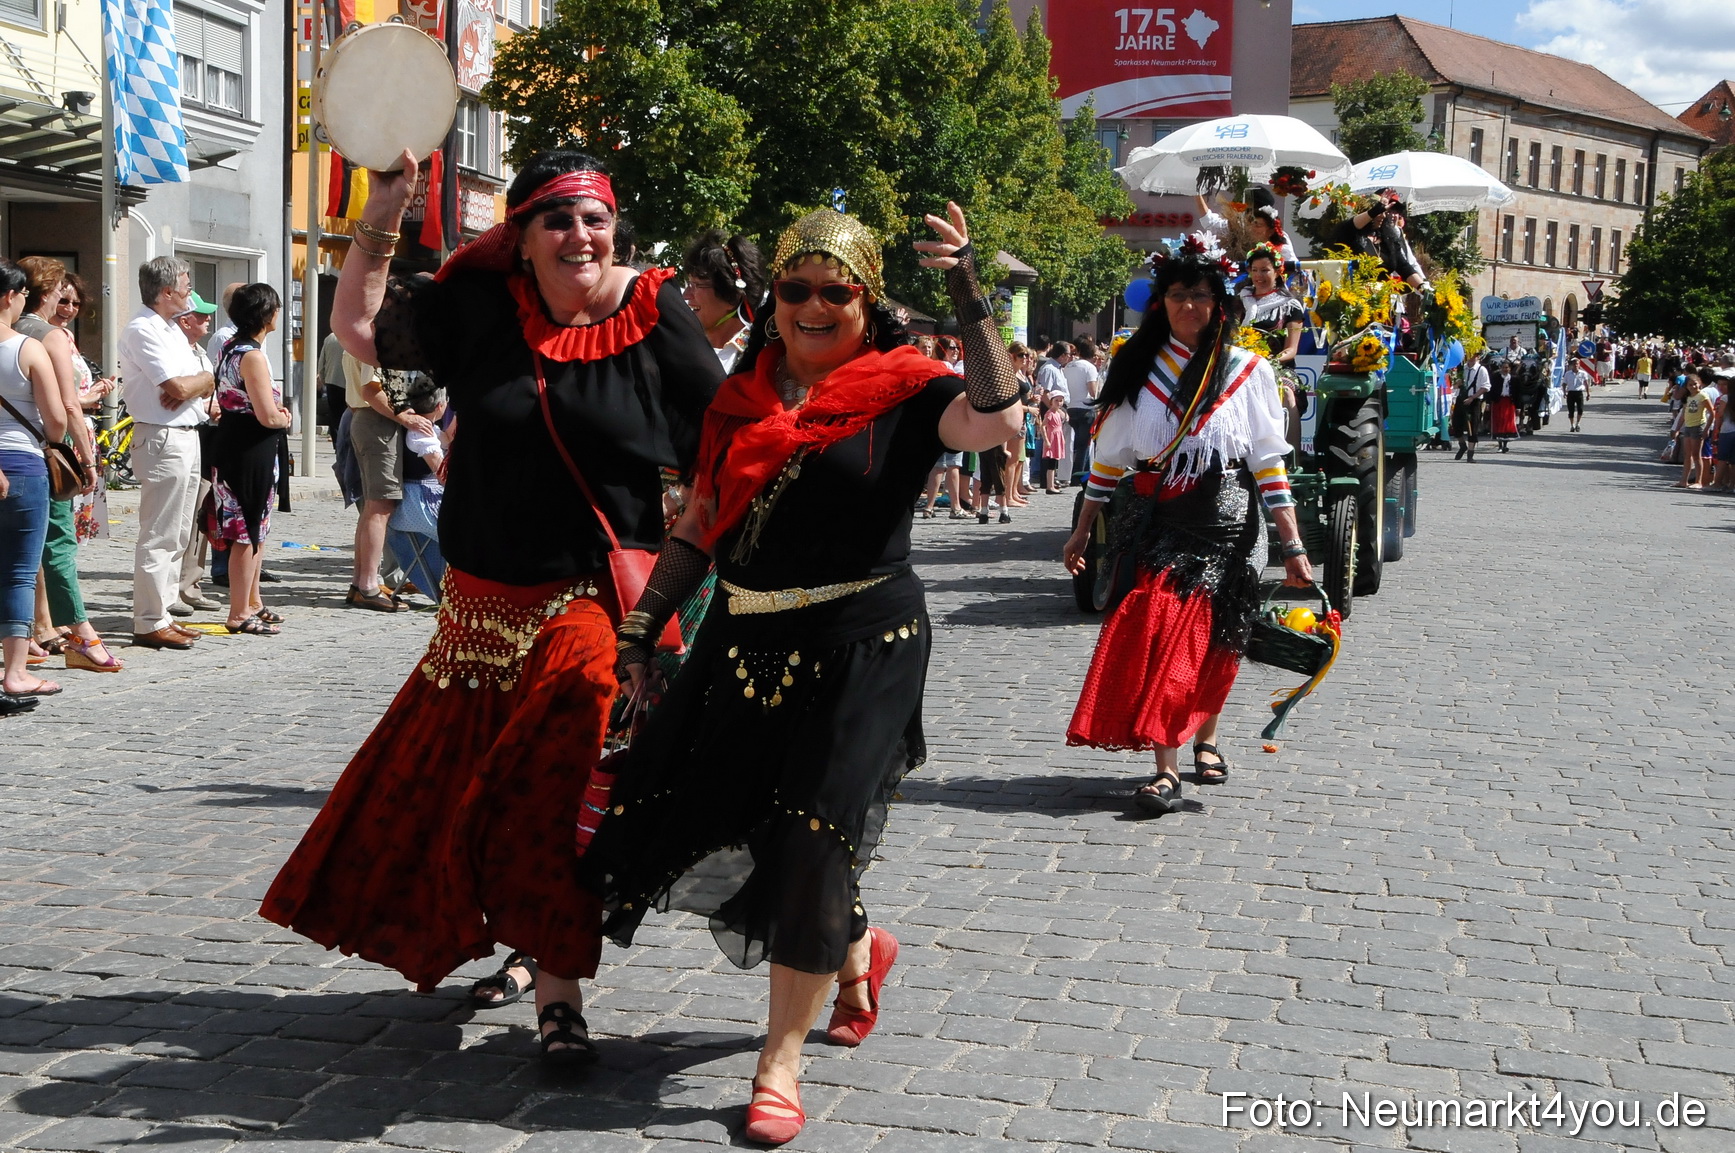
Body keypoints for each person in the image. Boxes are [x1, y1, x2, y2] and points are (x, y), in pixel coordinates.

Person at [260, 147, 723, 1066]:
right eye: (556, 218)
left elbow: (728, 431)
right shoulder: (480, 304)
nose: (578, 236)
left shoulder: (653, 309)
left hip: (590, 600)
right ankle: (523, 937)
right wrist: (384, 210)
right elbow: (356, 324)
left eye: (593, 218)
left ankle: (558, 988)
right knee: (456, 799)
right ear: (522, 234)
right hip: (477, 607)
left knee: (566, 752)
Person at [583, 202, 1021, 1146]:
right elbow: (700, 522)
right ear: (771, 298)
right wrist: (643, 627)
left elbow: (991, 415)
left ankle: (777, 1059)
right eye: (795, 289)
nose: (813, 306)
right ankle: (860, 943)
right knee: (750, 827)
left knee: (815, 837)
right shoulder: (740, 399)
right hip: (743, 642)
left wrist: (968, 290)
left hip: (865, 646)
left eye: (836, 291)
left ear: (866, 302)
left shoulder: (909, 389)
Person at [1061, 243, 1313, 816]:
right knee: (1162, 630)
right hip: (1163, 521)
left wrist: (1291, 545)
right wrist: (1081, 532)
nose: (1190, 305)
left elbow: (1268, 464)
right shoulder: (1137, 370)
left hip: (1231, 524)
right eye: (1179, 295)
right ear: (1162, 303)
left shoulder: (1248, 371)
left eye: (1201, 295)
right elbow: (1107, 463)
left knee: (1218, 640)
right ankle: (1165, 770)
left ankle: (1207, 738)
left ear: (1219, 303)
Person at [13, 260, 119, 673]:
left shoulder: (12, 332)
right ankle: (81, 634)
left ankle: (27, 630)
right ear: (47, 289)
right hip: (49, 448)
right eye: (62, 289)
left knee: (25, 549)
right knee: (58, 544)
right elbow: (67, 404)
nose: (66, 298)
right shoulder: (49, 336)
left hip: (15, 447)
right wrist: (86, 459)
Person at [118, 257, 213, 652]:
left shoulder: (172, 329)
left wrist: (199, 382)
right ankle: (149, 619)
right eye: (187, 285)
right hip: (162, 436)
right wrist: (197, 383)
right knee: (159, 532)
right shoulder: (143, 328)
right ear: (166, 291)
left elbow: (199, 379)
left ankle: (164, 610)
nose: (190, 292)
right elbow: (176, 386)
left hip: (187, 432)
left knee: (178, 532)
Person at [0, 259, 69, 699]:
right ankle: (16, 671)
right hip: (24, 466)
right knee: (20, 573)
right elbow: (57, 419)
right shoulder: (28, 348)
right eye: (23, 294)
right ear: (9, 296)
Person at [211, 284, 291, 636]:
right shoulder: (252, 355)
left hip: (237, 444)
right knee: (245, 531)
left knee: (254, 526)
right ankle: (238, 611)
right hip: (249, 448)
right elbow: (266, 415)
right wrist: (284, 417)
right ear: (265, 313)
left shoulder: (231, 348)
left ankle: (252, 601)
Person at [342, 350, 418, 612]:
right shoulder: (376, 340)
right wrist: (405, 417)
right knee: (381, 505)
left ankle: (361, 582)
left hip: (369, 420)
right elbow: (371, 391)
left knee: (372, 507)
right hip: (377, 422)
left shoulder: (362, 337)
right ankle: (368, 585)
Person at [172, 293, 225, 616]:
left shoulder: (200, 352)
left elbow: (208, 389)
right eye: (201, 316)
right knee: (182, 519)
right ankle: (175, 587)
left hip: (207, 435)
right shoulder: (177, 351)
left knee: (202, 515)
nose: (207, 321)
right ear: (185, 320)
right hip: (191, 432)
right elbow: (186, 392)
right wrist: (204, 396)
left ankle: (192, 583)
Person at [683, 230, 765, 374]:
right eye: (688, 284)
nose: (686, 295)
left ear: (732, 296)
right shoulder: (681, 345)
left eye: (697, 285)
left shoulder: (762, 356)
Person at [1061, 337, 1099, 484]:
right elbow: (1093, 390)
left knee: (1070, 444)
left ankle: (1067, 473)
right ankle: (1078, 475)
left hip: (1070, 407)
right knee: (1083, 445)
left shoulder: (1068, 366)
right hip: (1086, 408)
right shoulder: (1090, 368)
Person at [1452, 351, 1489, 462]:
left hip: (1474, 401)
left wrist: (1472, 397)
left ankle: (1470, 453)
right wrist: (1457, 384)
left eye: (1472, 355)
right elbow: (1456, 385)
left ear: (1477, 356)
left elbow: (1486, 387)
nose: (1470, 357)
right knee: (1456, 425)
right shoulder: (1463, 369)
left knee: (1473, 427)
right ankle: (1462, 445)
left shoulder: (1481, 370)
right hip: (1461, 399)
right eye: (1468, 355)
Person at [1673, 375, 1709, 489]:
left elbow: (1712, 413)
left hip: (1698, 427)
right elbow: (1683, 415)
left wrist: (1706, 429)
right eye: (1690, 385)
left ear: (1700, 383)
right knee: (1687, 455)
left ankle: (1699, 481)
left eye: (1695, 384)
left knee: (1696, 455)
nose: (1693, 386)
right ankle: (1684, 481)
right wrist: (1677, 429)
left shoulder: (1702, 396)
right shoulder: (1688, 398)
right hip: (1688, 427)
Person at [1487, 356, 1519, 452]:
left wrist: (1519, 406)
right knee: (1498, 422)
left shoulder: (1514, 379)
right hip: (1498, 402)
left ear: (1509, 368)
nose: (1505, 369)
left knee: (1507, 423)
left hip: (1509, 402)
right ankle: (1500, 444)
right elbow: (1490, 391)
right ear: (1500, 368)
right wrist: (1488, 403)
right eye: (1503, 367)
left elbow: (1518, 393)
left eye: (1507, 367)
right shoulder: (1495, 377)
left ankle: (1505, 444)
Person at [1039, 390, 1067, 493]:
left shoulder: (1058, 413)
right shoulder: (1050, 413)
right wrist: (1046, 440)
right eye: (1056, 400)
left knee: (1054, 462)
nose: (1059, 403)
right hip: (1052, 437)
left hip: (1058, 437)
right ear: (1051, 401)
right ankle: (1049, 486)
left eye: (1060, 401)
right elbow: (1043, 426)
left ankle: (1052, 484)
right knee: (1051, 463)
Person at [1562, 358, 1589, 432]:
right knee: (1571, 411)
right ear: (1572, 365)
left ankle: (1578, 423)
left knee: (1580, 409)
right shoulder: (1567, 374)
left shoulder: (1583, 373)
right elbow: (1564, 384)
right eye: (1574, 364)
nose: (1576, 365)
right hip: (1570, 393)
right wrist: (1564, 392)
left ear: (1579, 365)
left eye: (1577, 364)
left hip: (1579, 393)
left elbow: (1586, 384)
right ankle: (1572, 425)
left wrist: (1588, 394)